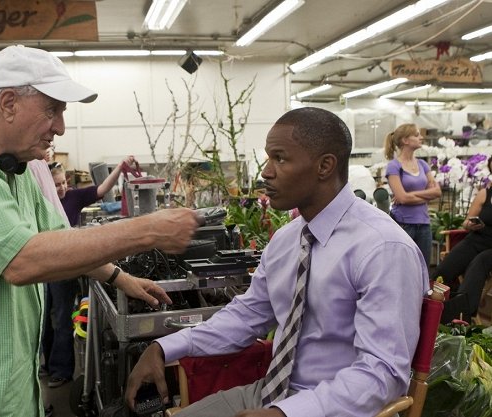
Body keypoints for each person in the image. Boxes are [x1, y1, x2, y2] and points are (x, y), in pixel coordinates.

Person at [0, 45, 199, 417]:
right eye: (53, 109)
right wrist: (147, 230)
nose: (61, 127)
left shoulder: (13, 168)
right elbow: (22, 260)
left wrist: (120, 277)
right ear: (8, 103)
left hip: (4, 388)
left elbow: (55, 237)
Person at [125, 107, 429, 417]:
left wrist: (288, 413)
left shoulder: (382, 248)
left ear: (325, 166)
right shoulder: (287, 240)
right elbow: (246, 317)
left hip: (335, 407)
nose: (266, 172)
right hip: (271, 392)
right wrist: (164, 347)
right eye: (269, 158)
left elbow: (383, 373)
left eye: (280, 159)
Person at [41, 156, 136, 388]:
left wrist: (119, 168)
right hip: (44, 266)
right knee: (45, 318)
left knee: (62, 317)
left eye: (63, 182)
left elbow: (102, 189)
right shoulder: (43, 199)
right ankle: (48, 363)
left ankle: (61, 371)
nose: (61, 187)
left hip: (64, 267)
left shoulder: (73, 197)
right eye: (56, 184)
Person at [432, 155, 492, 318]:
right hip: (476, 239)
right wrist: (470, 224)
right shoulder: (485, 194)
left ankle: (462, 312)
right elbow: (466, 222)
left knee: (479, 263)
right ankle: (429, 303)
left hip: (489, 250)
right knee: (445, 268)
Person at [384, 124, 441, 267]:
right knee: (403, 268)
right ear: (405, 140)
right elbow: (402, 198)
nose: (421, 137)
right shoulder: (394, 166)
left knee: (423, 269)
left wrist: (411, 194)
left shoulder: (422, 164)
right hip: (404, 224)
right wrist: (425, 195)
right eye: (416, 135)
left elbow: (437, 192)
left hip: (424, 224)